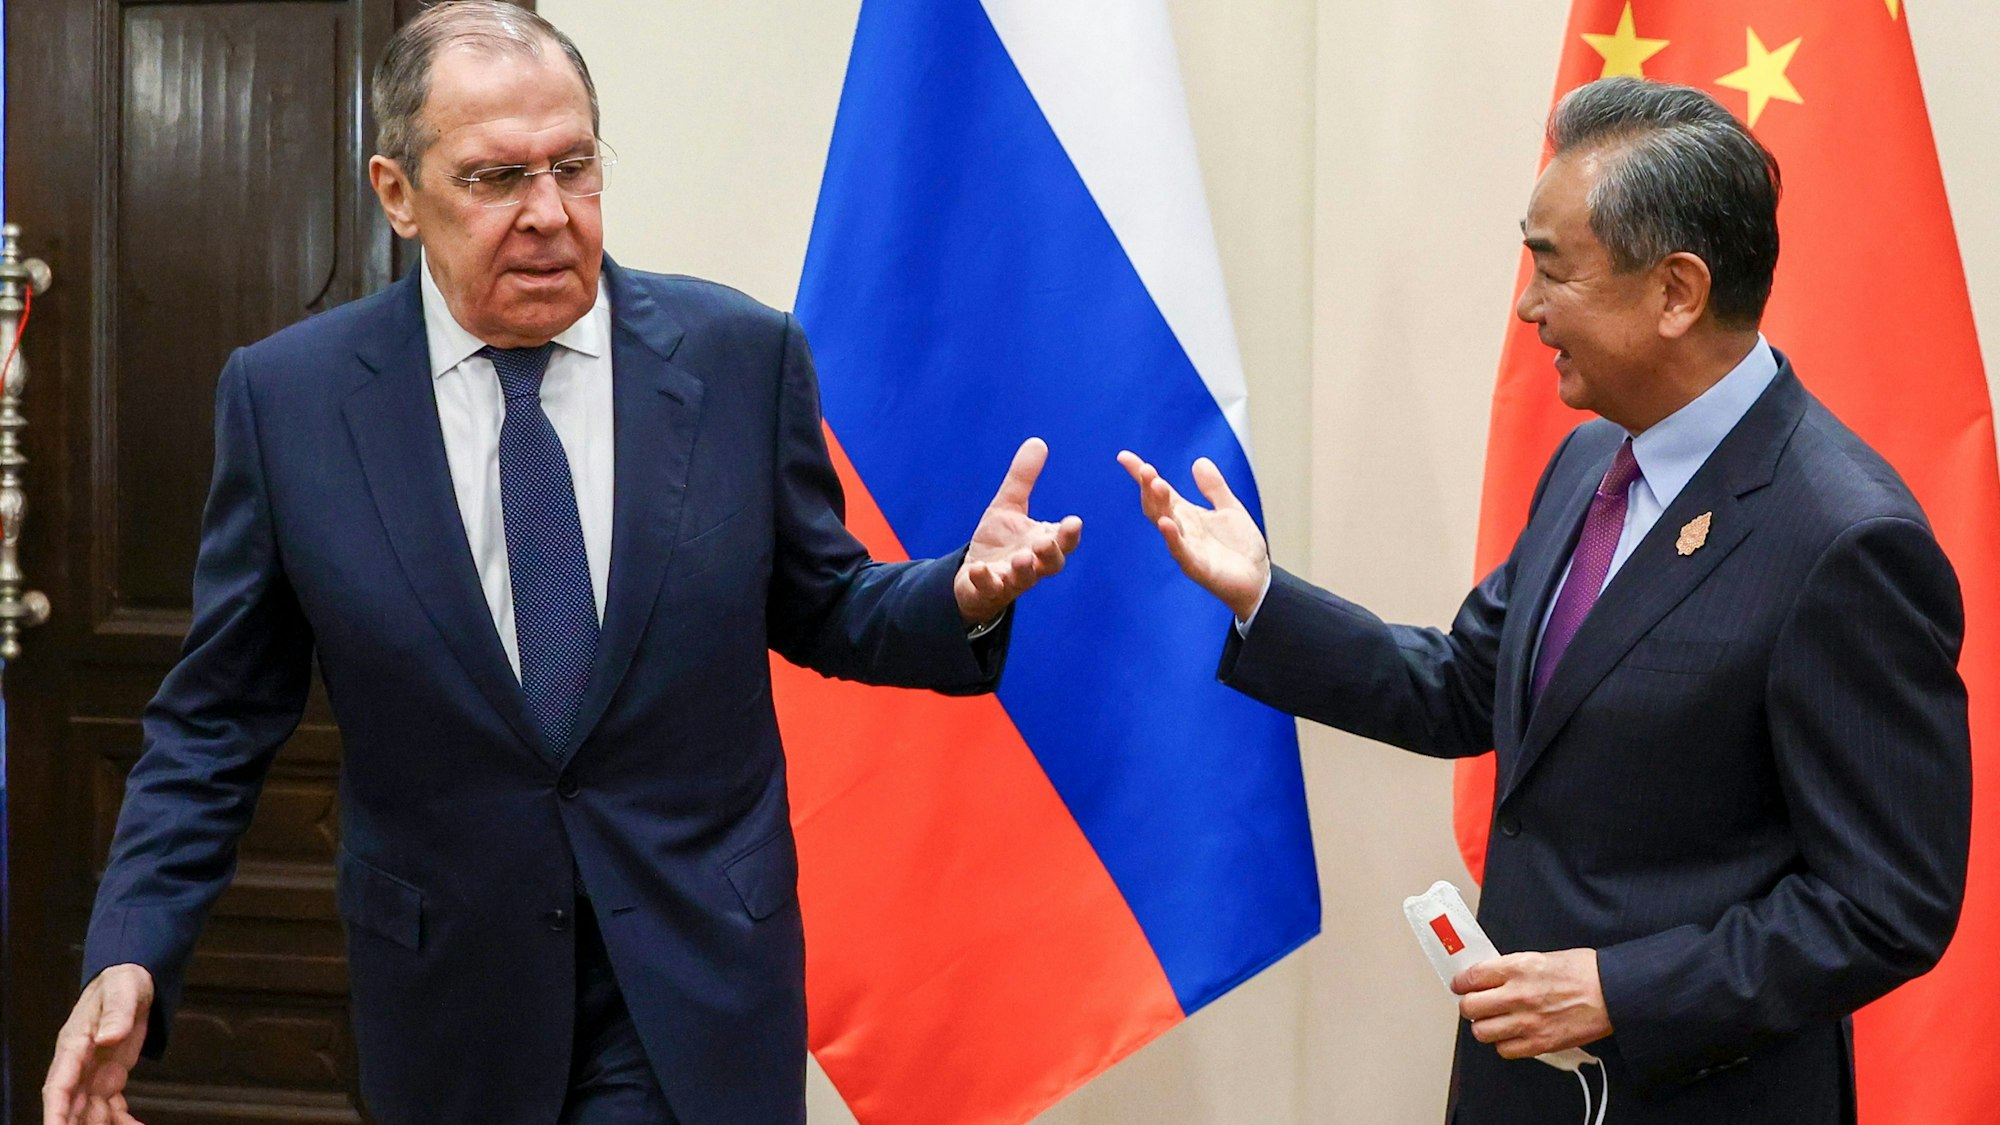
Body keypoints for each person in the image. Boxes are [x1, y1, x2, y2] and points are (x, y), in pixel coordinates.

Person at [41, 4, 1082, 1123]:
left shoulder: (738, 358)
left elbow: (824, 603)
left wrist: (956, 596)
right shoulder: (290, 401)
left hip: (693, 973)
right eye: (495, 179)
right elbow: (217, 718)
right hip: (451, 994)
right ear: (397, 193)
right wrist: (131, 951)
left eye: (573, 167)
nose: (547, 215)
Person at [1120, 77, 1970, 1124]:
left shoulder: (1844, 540)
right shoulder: (1586, 463)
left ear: (1675, 292)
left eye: (1549, 269)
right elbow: (1463, 689)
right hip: (1515, 1088)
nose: (1524, 308)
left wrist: (1620, 991)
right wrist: (1259, 597)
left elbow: (1886, 907)